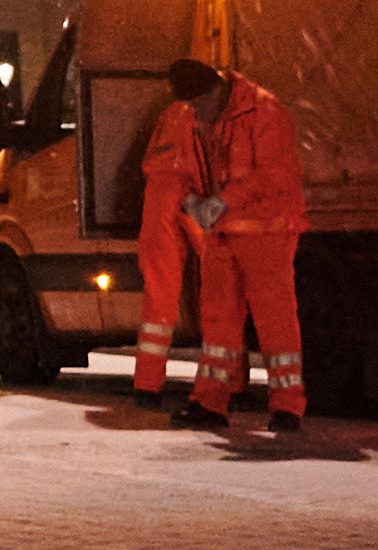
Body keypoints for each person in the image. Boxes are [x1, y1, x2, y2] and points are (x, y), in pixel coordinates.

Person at [171, 54, 311, 436]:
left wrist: (222, 200)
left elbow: (275, 175)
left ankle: (287, 406)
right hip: (221, 231)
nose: (198, 112)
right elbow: (182, 170)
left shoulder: (264, 110)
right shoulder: (193, 117)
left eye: (201, 103)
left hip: (266, 229)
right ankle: (210, 402)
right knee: (217, 320)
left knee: (274, 319)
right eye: (192, 106)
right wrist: (191, 201)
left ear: (217, 88)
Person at [127, 86, 207, 402]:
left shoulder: (172, 112)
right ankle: (227, 384)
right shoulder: (213, 112)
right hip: (194, 198)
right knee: (223, 293)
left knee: (159, 303)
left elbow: (151, 159)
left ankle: (147, 385)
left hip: (158, 202)